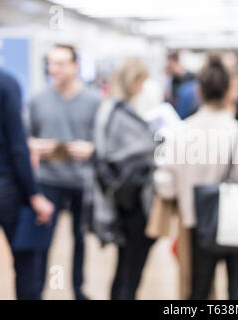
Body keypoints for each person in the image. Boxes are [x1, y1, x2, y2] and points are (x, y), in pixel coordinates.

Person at [154, 53, 238, 300]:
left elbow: (165, 186)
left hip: (198, 224)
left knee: (198, 292)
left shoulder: (181, 133)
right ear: (230, 92)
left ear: (200, 92)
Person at [0, 20, 54, 300]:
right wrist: (35, 195)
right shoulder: (5, 83)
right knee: (26, 267)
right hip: (7, 189)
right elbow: (17, 147)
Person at [28, 44, 100, 300]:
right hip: (49, 181)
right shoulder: (38, 99)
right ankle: (36, 290)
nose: (53, 69)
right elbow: (25, 138)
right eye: (50, 63)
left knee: (80, 240)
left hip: (82, 181)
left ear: (74, 66)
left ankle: (78, 289)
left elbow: (103, 142)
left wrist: (91, 149)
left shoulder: (93, 101)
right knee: (43, 240)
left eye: (59, 63)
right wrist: (35, 145)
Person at [93, 57, 156, 300]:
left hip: (122, 197)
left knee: (125, 265)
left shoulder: (113, 109)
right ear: (133, 81)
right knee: (132, 264)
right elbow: (125, 152)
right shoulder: (118, 111)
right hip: (129, 198)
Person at [165, 51, 198, 119]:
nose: (168, 67)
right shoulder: (172, 81)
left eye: (169, 65)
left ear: (175, 62)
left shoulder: (191, 79)